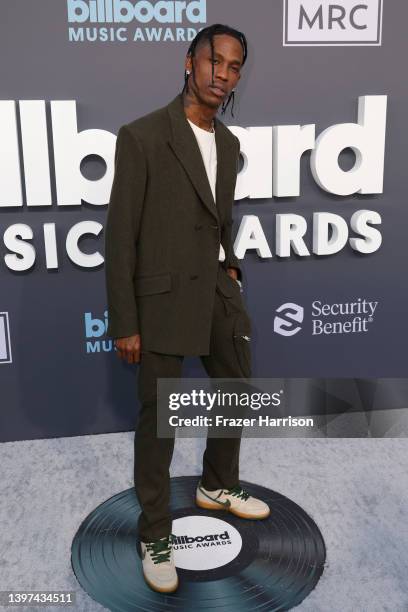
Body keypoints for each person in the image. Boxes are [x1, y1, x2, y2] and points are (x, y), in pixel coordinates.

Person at [104, 23, 270, 594]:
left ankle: (217, 483)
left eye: (233, 67)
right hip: (161, 300)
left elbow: (220, 222)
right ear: (189, 62)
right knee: (160, 422)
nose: (222, 75)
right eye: (213, 62)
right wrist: (125, 321)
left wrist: (230, 271)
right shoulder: (144, 135)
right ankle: (155, 532)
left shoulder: (229, 144)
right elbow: (121, 235)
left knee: (237, 386)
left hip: (215, 292)